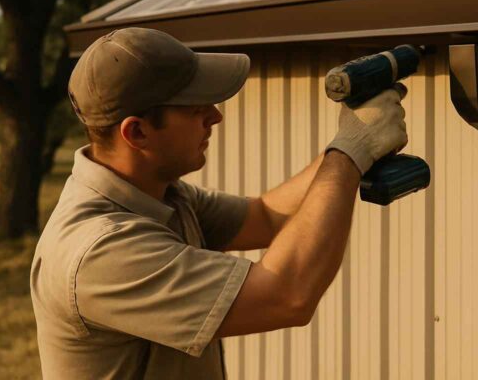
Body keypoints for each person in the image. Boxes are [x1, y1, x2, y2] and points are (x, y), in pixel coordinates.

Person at [29, 27, 408, 379]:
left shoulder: (158, 193)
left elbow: (265, 216)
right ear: (138, 132)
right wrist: (349, 153)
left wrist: (352, 140)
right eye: (195, 108)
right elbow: (287, 295)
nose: (216, 116)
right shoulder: (101, 250)